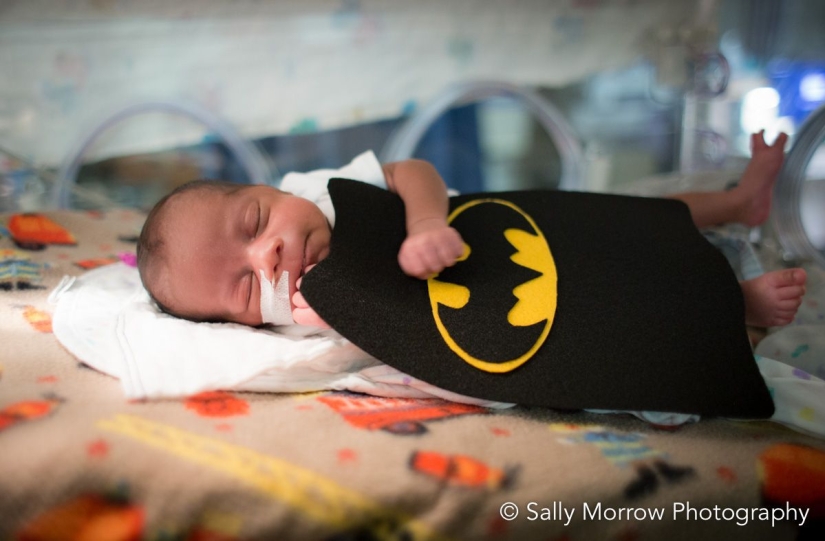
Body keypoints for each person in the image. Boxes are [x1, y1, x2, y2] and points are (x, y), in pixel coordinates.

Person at [137, 130, 807, 332]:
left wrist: (424, 220)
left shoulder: (320, 192)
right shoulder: (299, 311)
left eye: (255, 222)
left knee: (627, 215)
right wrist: (324, 320)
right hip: (509, 300)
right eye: (247, 287)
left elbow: (411, 169)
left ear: (272, 188)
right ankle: (733, 305)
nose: (270, 255)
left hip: (499, 220)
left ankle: (739, 201)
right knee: (611, 298)